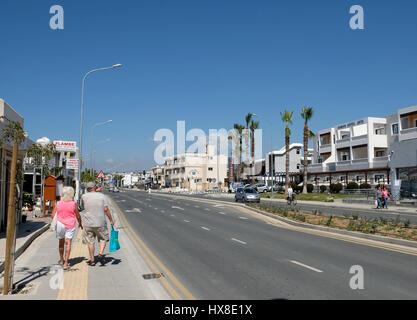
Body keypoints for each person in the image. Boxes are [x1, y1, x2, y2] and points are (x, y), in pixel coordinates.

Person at [81, 182, 115, 266]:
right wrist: (111, 220)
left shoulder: (84, 196)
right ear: (95, 187)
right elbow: (106, 209)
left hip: (88, 223)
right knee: (103, 239)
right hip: (100, 222)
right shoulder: (102, 196)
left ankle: (92, 261)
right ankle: (100, 254)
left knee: (90, 242)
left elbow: (82, 207)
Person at [51, 186, 83, 270]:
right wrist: (80, 223)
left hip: (60, 224)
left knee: (61, 243)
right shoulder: (73, 204)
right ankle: (66, 263)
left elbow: (52, 215)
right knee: (68, 243)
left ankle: (61, 260)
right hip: (71, 225)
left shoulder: (58, 203)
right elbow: (78, 216)